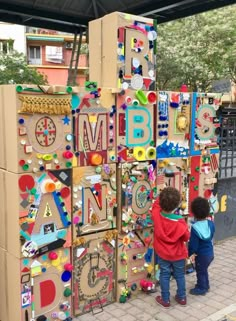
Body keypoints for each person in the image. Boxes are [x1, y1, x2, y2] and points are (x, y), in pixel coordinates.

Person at [152, 187, 190, 308]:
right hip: (178, 255)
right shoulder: (180, 222)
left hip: (163, 254)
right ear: (177, 205)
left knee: (164, 275)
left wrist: (162, 196)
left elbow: (156, 205)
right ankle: (182, 297)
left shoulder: (157, 216)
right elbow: (186, 237)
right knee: (179, 275)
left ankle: (165, 300)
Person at [189, 197, 215, 295]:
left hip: (201, 256)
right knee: (204, 270)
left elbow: (193, 245)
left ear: (194, 213)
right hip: (210, 253)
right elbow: (212, 234)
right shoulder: (210, 223)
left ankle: (201, 288)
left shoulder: (195, 228)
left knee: (200, 271)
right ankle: (206, 284)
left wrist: (190, 253)